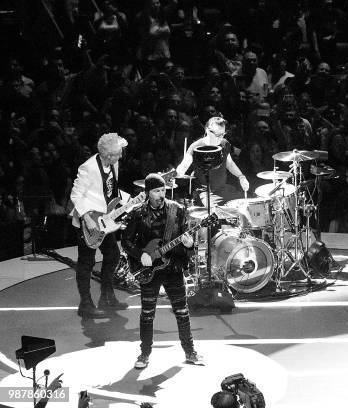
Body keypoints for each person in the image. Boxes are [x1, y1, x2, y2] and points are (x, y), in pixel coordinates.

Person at [121, 173, 204, 368]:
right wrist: (139, 254)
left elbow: (187, 238)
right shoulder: (137, 213)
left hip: (173, 266)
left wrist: (189, 243)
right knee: (147, 313)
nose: (161, 194)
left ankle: (190, 351)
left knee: (182, 311)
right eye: (156, 191)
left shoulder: (178, 210)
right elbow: (126, 241)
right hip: (148, 269)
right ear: (147, 192)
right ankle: (144, 354)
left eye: (163, 190)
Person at [70, 132, 129, 318]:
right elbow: (75, 195)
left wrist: (129, 201)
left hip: (105, 219)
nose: (121, 156)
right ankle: (85, 304)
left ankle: (107, 296)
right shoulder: (88, 168)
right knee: (86, 262)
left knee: (113, 254)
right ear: (108, 155)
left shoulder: (114, 163)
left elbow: (110, 191)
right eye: (118, 153)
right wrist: (87, 218)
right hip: (88, 221)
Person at [176, 116, 249, 205]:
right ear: (207, 130)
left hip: (223, 189)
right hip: (205, 192)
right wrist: (179, 171)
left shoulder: (224, 143)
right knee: (215, 212)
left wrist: (241, 176)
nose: (220, 137)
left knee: (245, 204)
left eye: (223, 134)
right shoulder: (196, 147)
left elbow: (229, 164)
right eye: (217, 134)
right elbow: (184, 164)